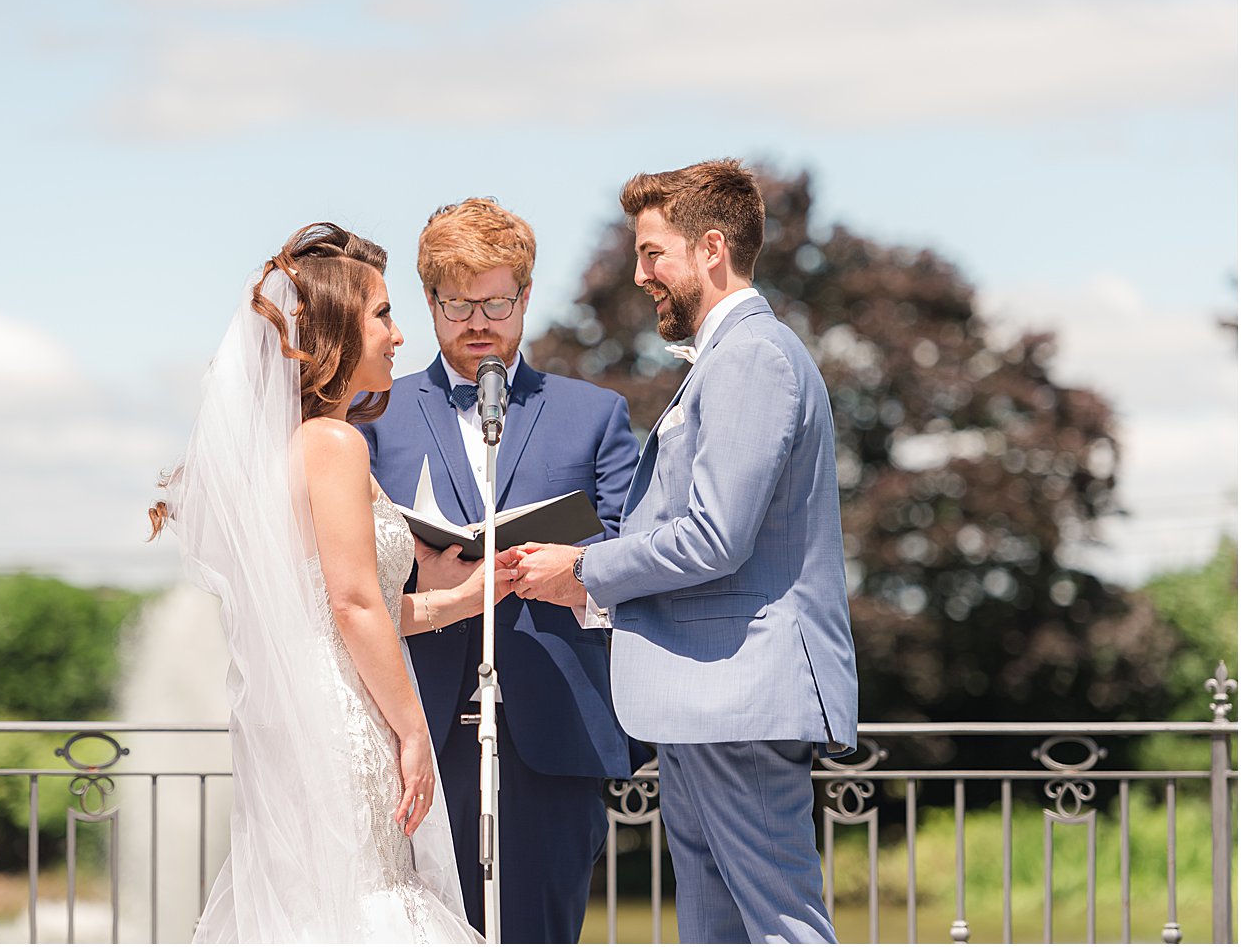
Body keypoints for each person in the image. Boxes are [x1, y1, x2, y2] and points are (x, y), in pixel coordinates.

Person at [508, 160, 859, 944]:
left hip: (738, 692)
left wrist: (587, 571)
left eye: (652, 252)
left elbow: (714, 535)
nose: (640, 274)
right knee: (716, 927)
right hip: (708, 696)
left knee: (780, 923)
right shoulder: (732, 358)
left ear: (710, 249)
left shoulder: (752, 357)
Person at [151, 223, 502, 943]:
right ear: (340, 328)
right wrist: (411, 729)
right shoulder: (334, 443)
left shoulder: (300, 446)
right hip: (345, 712)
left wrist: (466, 594)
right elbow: (351, 603)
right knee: (365, 894)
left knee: (318, 897)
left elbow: (342, 601)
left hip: (305, 702)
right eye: (382, 314)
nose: (398, 336)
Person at [359, 198, 642, 943]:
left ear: (525, 294)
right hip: (413, 729)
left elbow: (634, 552)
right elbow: (342, 567)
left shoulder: (596, 414)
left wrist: (576, 571)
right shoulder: (372, 415)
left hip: (554, 728)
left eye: (496, 301)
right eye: (457, 303)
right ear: (429, 300)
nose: (478, 320)